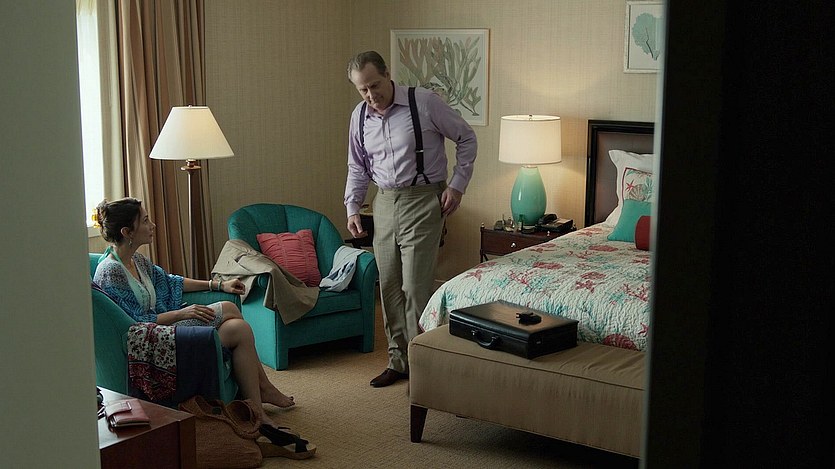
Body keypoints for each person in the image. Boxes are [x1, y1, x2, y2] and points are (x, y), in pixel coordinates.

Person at [92, 197, 295, 430]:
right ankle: (262, 394)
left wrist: (218, 284)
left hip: (162, 328)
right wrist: (181, 314)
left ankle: (257, 405)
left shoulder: (136, 260)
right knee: (233, 316)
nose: (153, 225)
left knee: (239, 327)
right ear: (127, 232)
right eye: (145, 221)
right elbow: (134, 324)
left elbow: (170, 282)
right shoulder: (111, 272)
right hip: (151, 343)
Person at [344, 51, 478, 387]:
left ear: (388, 74)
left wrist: (457, 186)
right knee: (389, 286)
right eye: (363, 89)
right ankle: (398, 361)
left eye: (375, 85)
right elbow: (357, 166)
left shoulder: (425, 103)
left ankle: (423, 364)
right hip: (384, 203)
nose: (371, 95)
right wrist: (353, 207)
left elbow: (466, 138)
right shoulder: (359, 117)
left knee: (415, 289)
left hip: (423, 199)